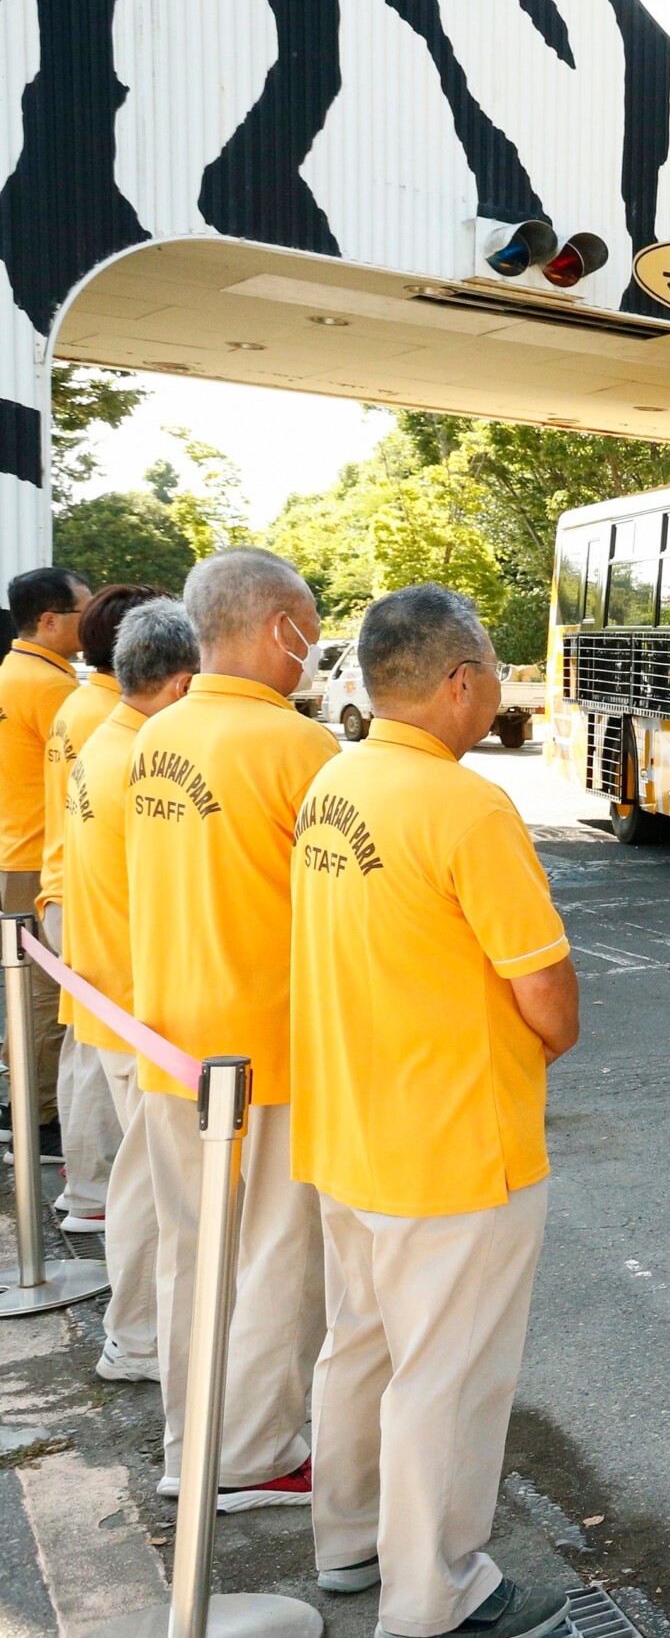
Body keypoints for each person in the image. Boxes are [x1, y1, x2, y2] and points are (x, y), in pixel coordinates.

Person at [292, 585, 579, 1638]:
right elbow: (545, 994)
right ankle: (438, 1597)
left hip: (349, 1124)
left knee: (359, 1349)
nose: (499, 689)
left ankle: (352, 1543)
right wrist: (550, 1037)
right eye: (495, 670)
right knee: (446, 1379)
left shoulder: (336, 780)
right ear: (461, 682)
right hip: (454, 1141)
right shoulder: (466, 805)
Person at [128, 548, 336, 1511]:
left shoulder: (154, 736)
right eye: (308, 625)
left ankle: (190, 1437)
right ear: (271, 627)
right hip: (274, 1048)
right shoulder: (299, 749)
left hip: (171, 1034)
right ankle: (251, 1454)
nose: (314, 646)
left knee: (189, 1247)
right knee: (273, 1259)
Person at [63, 598, 195, 1385]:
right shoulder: (145, 761)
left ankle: (136, 1332)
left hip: (111, 993)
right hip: (138, 1005)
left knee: (145, 1183)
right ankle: (139, 1336)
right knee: (155, 1192)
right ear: (181, 684)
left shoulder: (107, 742)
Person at [40, 583, 158, 1237]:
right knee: (97, 1053)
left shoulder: (84, 704)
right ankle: (91, 1191)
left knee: (87, 1048)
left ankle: (82, 1186)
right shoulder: (103, 715)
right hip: (86, 892)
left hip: (70, 886)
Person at [0, 567, 90, 1146]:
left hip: (15, 845)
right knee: (41, 991)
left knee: (23, 987)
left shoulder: (13, 671)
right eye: (85, 611)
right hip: (36, 852)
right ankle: (35, 1118)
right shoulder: (51, 688)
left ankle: (23, 1105)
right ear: (50, 620)